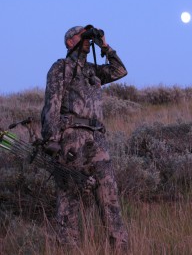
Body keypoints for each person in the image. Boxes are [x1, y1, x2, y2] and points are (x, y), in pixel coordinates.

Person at [41, 25, 128, 251]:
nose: (87, 39)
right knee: (69, 195)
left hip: (98, 138)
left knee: (109, 195)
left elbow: (120, 71)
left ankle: (120, 248)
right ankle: (68, 248)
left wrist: (105, 46)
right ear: (70, 42)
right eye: (83, 35)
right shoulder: (61, 67)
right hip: (72, 136)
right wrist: (52, 140)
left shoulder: (92, 71)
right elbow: (52, 104)